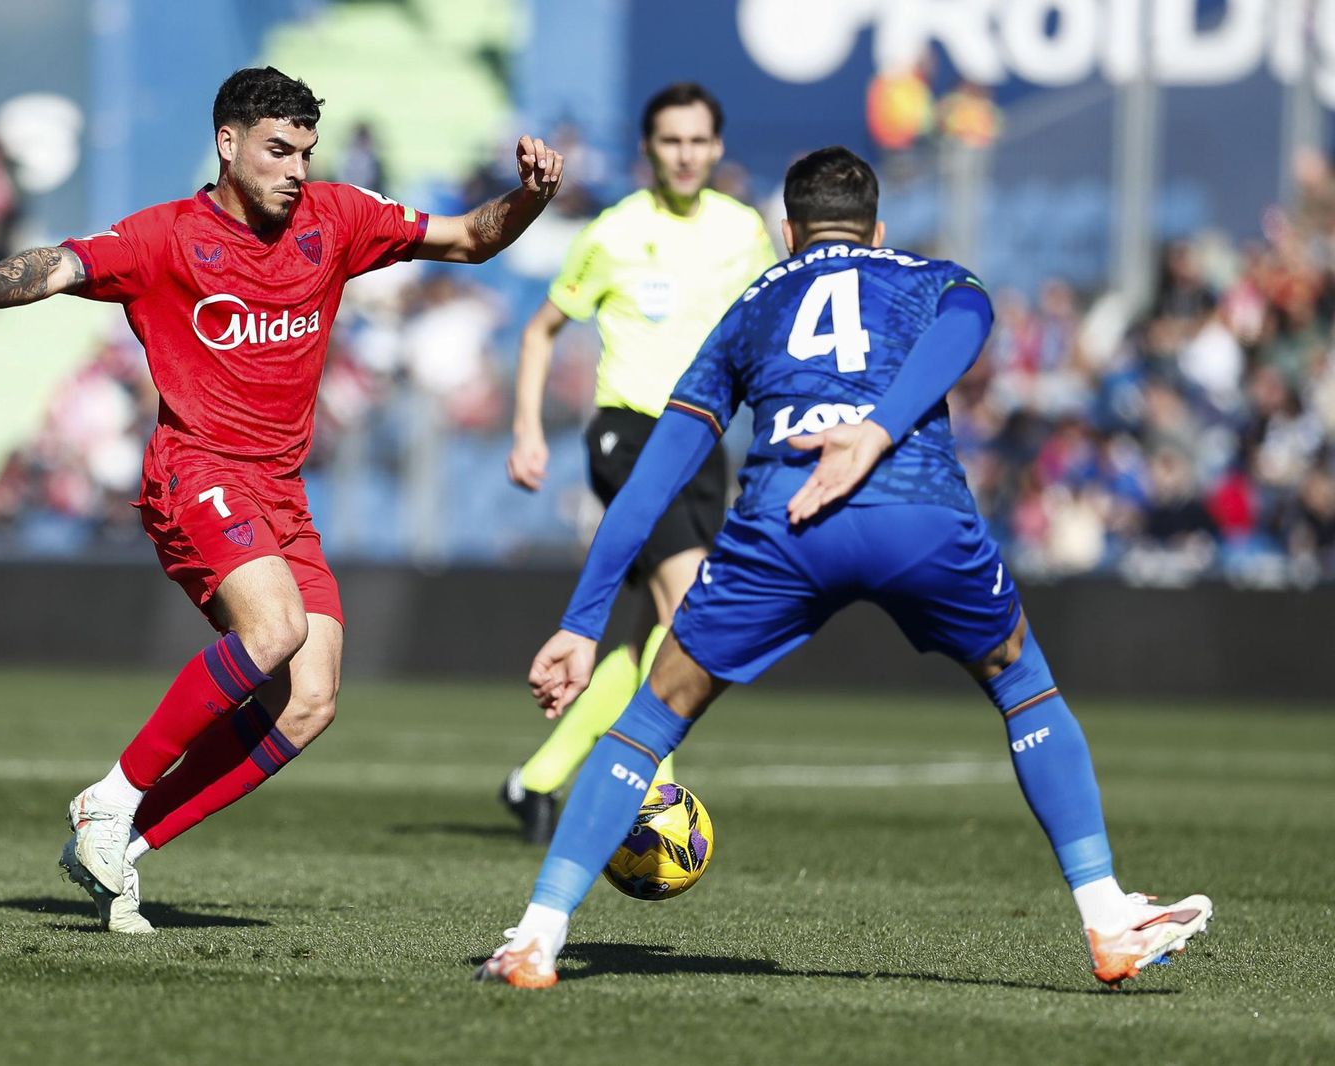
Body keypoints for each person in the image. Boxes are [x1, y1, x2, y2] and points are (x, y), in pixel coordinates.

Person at [476, 147, 1210, 989]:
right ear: (878, 230)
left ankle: (536, 938)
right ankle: (1107, 917)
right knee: (1022, 684)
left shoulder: (752, 302)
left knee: (649, 719)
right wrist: (877, 428)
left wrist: (582, 621)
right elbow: (971, 320)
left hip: (786, 522)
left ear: (789, 234)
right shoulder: (931, 275)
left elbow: (654, 477)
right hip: (914, 510)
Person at [0, 67, 563, 933]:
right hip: (194, 470)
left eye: (305, 152)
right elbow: (59, 265)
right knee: (275, 632)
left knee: (310, 702)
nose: (296, 170)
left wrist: (529, 199)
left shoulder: (337, 217)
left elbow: (469, 239)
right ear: (228, 145)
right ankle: (110, 797)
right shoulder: (164, 238)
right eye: (278, 151)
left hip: (281, 490)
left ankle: (120, 845)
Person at [500, 83, 774, 843]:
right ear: (648, 149)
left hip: (706, 446)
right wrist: (526, 429)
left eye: (697, 140)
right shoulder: (615, 231)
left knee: (648, 634)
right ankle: (653, 799)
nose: (685, 154)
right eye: (671, 141)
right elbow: (539, 329)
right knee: (687, 613)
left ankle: (537, 780)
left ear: (717, 148)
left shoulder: (745, 232)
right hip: (628, 435)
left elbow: (766, 332)